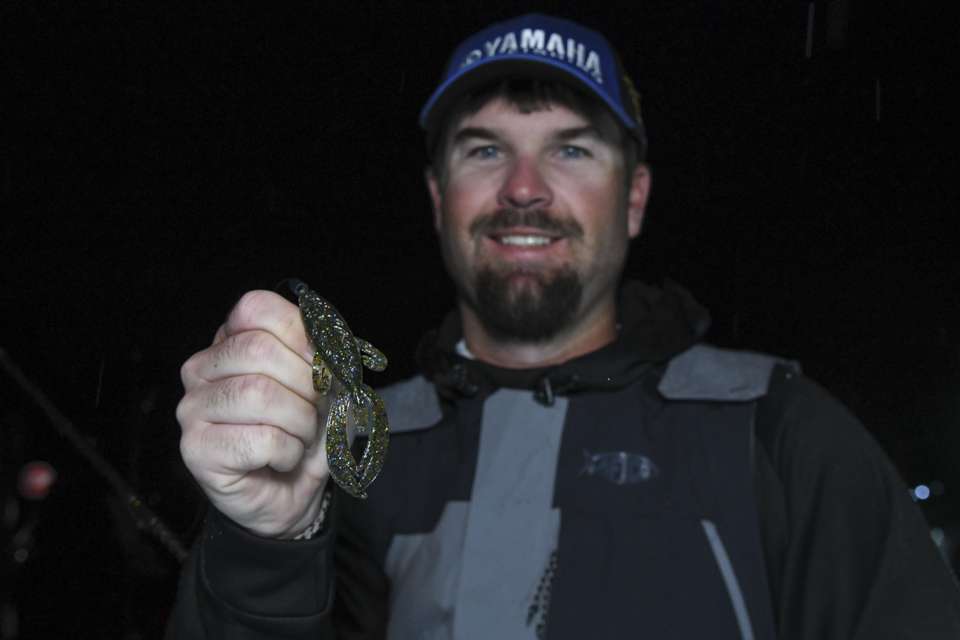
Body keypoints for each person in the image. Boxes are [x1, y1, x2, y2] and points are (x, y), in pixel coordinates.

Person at [167, 13, 960, 639]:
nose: (523, 188)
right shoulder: (345, 450)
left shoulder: (777, 434)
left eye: (571, 150)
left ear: (636, 196)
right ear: (439, 198)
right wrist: (263, 544)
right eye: (484, 150)